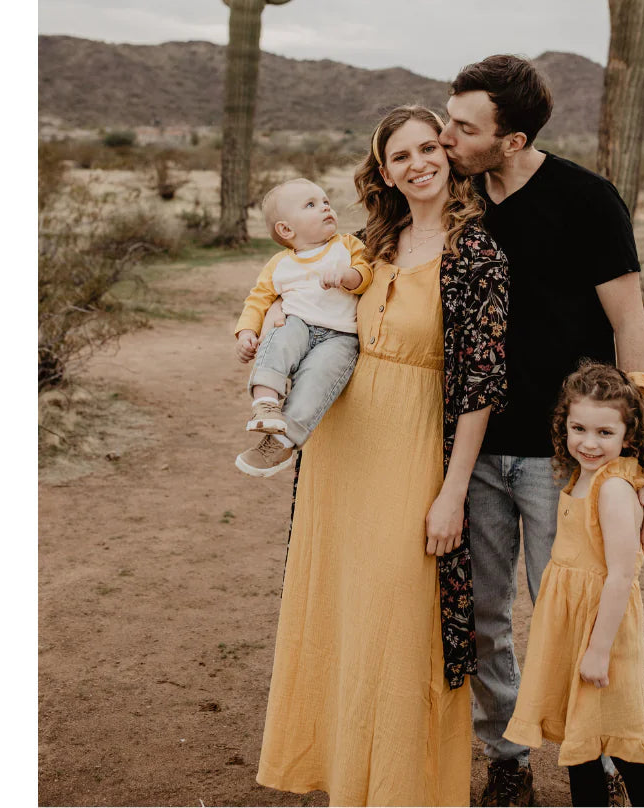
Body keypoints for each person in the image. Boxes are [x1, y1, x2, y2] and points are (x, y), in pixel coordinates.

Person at [255, 105, 509, 806]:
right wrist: (278, 317)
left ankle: (402, 789)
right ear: (385, 172)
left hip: (415, 448)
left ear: (448, 156)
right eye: (401, 156)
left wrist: (452, 492)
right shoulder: (371, 240)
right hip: (341, 449)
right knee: (343, 611)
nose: (418, 164)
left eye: (429, 148)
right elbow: (310, 305)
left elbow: (482, 385)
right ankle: (344, 780)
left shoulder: (477, 251)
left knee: (400, 621)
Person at [437, 54, 644, 807]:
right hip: (474, 446)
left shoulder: (587, 200)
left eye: (464, 127)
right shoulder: (455, 198)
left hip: (569, 460)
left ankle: (589, 752)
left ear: (513, 137)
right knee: (486, 616)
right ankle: (507, 755)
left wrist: (635, 454)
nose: (447, 136)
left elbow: (630, 322)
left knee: (572, 610)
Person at [504, 362, 644, 807]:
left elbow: (621, 575)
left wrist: (598, 649)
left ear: (628, 436)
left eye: (604, 433)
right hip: (572, 626)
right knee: (578, 741)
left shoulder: (615, 489)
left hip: (603, 631)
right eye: (578, 428)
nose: (588, 442)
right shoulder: (583, 474)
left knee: (622, 742)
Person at [232, 178, 373, 477]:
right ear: (286, 229)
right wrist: (247, 331)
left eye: (325, 202)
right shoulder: (280, 263)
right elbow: (259, 299)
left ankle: (282, 441)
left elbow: (366, 272)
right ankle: (266, 403)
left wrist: (348, 276)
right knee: (278, 340)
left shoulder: (347, 245)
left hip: (340, 336)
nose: (325, 208)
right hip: (298, 323)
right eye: (311, 205)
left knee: (319, 378)